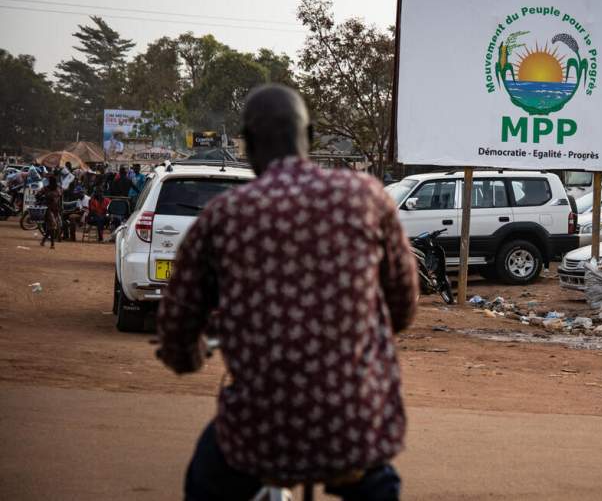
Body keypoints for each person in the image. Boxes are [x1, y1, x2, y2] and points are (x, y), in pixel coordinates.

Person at [156, 83, 419, 500]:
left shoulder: (224, 214)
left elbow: (177, 324)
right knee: (377, 483)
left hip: (259, 433)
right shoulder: (366, 197)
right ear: (310, 138)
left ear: (249, 145)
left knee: (204, 484)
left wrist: (187, 356)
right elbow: (403, 307)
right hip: (351, 427)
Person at [38, 175, 62, 249]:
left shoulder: (57, 188)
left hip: (55, 209)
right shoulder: (46, 188)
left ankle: (43, 241)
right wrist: (42, 198)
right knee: (52, 226)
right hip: (48, 209)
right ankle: (52, 244)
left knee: (51, 227)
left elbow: (60, 199)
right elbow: (37, 195)